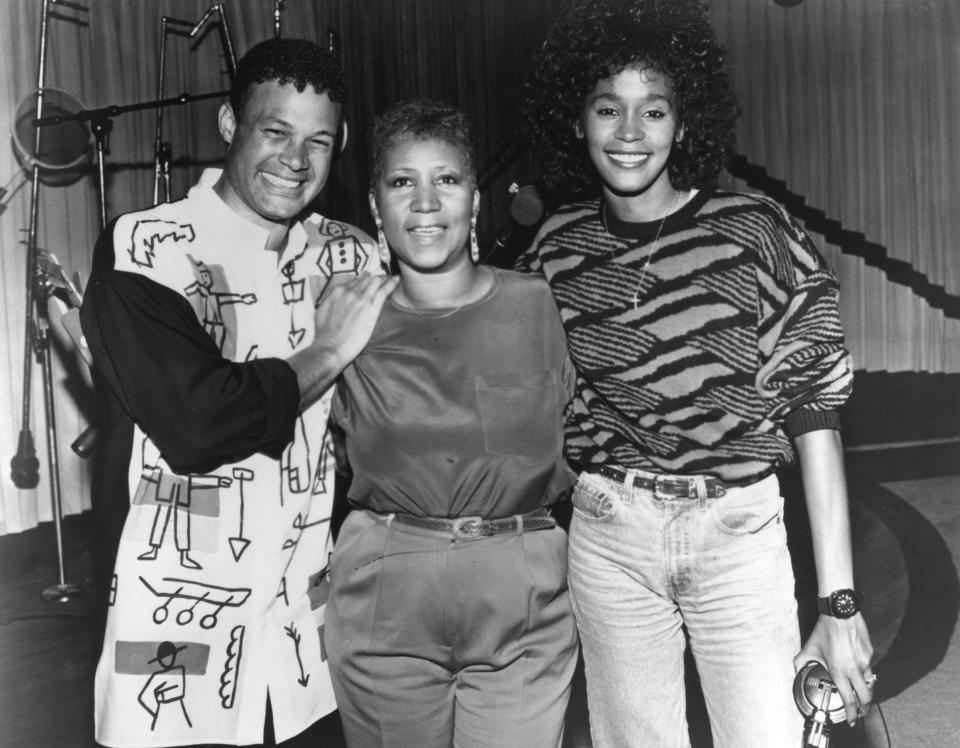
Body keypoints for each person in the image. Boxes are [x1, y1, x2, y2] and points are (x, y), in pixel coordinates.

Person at [517, 1, 875, 746]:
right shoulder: (554, 252)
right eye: (607, 107)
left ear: (683, 125)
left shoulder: (756, 233)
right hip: (610, 533)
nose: (629, 131)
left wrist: (839, 606)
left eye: (654, 110)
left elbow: (816, 421)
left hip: (736, 532)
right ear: (576, 120)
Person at [79, 37, 397, 747]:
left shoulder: (349, 253)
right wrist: (329, 350)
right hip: (176, 624)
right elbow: (202, 422)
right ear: (230, 125)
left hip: (303, 637)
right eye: (274, 131)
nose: (297, 160)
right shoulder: (146, 248)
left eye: (319, 140)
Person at [324, 98, 579, 748]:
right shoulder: (342, 319)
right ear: (377, 209)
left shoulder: (540, 307)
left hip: (521, 596)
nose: (427, 202)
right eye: (402, 182)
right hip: (386, 597)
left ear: (476, 201)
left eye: (448, 179)